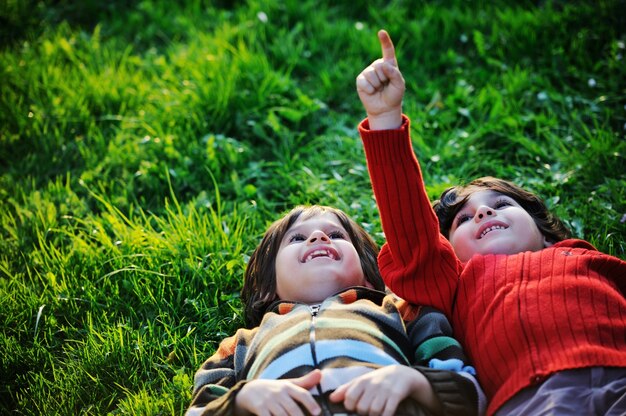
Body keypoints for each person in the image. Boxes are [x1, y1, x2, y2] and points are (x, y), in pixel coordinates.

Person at [356, 29, 626, 416]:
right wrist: (385, 119)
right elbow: (413, 235)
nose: (483, 213)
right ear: (448, 251)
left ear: (543, 230)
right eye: (463, 219)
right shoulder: (456, 284)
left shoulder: (583, 258)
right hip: (533, 401)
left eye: (500, 204)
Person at [186, 205, 484, 416]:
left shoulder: (403, 313)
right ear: (268, 288)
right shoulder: (239, 345)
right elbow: (200, 409)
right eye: (298, 238)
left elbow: (470, 394)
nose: (318, 237)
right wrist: (243, 399)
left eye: (337, 235)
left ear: (369, 276)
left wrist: (414, 382)